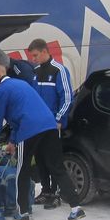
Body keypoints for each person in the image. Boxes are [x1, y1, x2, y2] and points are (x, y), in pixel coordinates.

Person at [0, 61, 85, 220]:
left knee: (22, 170)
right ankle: (76, 207)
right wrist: (12, 141)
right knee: (57, 167)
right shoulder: (21, 84)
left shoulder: (1, 91)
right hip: (49, 125)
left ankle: (23, 211)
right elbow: (20, 114)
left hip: (30, 129)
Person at [27, 39, 73, 209]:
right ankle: (45, 191)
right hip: (37, 125)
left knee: (53, 159)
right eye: (32, 56)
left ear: (45, 52)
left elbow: (67, 97)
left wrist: (59, 119)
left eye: (35, 55)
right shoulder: (36, 71)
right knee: (39, 158)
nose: (33, 59)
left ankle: (55, 193)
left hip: (52, 125)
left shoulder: (59, 70)